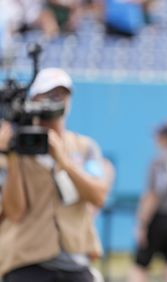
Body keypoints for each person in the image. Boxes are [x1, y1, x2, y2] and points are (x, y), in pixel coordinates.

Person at [0, 68, 114, 282]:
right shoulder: (14, 149)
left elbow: (99, 196)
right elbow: (14, 212)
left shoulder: (84, 147)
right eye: (49, 95)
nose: (57, 101)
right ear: (33, 100)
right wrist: (12, 158)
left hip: (75, 262)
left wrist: (64, 161)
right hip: (27, 262)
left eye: (62, 94)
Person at [129, 123, 167, 282]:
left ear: (166, 137)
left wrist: (142, 223)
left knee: (140, 264)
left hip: (159, 218)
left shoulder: (159, 161)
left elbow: (154, 194)